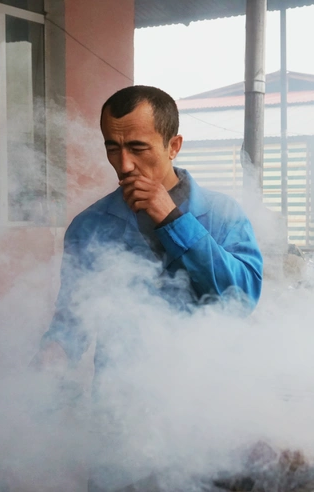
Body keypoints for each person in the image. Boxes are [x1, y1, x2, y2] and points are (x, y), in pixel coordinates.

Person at [32, 85, 263, 491]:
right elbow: (74, 317)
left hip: (205, 413)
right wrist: (53, 354)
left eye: (138, 148)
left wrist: (173, 220)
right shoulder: (90, 226)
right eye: (112, 148)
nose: (124, 164)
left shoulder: (223, 215)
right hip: (119, 419)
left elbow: (242, 299)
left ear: (173, 145)